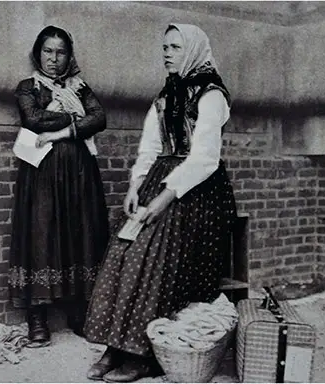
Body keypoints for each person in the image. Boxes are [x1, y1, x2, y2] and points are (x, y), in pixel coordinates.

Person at [84, 23, 237, 382]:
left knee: (152, 256)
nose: (166, 53)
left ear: (194, 50)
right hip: (159, 182)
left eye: (175, 47)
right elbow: (150, 148)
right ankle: (115, 346)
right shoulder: (165, 95)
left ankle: (142, 354)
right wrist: (135, 186)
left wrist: (164, 199)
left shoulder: (212, 95)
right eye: (164, 47)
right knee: (122, 251)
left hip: (196, 191)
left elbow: (204, 160)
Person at [9, 25, 110, 345]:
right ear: (38, 53)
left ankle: (78, 311)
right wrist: (71, 117)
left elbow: (100, 119)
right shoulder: (28, 87)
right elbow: (32, 120)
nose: (54, 59)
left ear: (69, 55)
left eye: (61, 52)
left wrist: (59, 112)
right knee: (42, 236)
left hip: (79, 173)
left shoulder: (80, 88)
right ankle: (37, 318)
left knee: (78, 233)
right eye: (48, 51)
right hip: (42, 174)